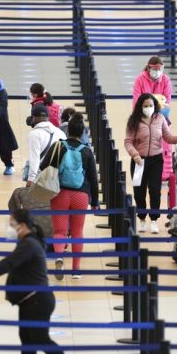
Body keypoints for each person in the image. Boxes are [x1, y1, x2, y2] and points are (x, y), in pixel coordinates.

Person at [0, 209, 81, 354]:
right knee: (27, 338)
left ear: (22, 226)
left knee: (40, 338)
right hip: (30, 300)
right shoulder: (28, 242)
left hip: (38, 300)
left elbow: (9, 263)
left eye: (12, 224)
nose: (10, 228)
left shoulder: (29, 244)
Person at [40, 112, 98, 280]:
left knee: (59, 231)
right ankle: (76, 269)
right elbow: (94, 180)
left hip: (60, 193)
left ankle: (59, 257)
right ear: (82, 133)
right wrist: (94, 202)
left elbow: (44, 166)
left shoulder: (59, 146)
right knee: (77, 232)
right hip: (81, 195)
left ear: (67, 131)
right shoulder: (87, 151)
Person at [124, 93, 177, 233]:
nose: (148, 108)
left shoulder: (160, 118)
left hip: (156, 160)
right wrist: (135, 155)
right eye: (145, 106)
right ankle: (142, 219)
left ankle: (155, 220)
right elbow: (128, 142)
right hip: (139, 161)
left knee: (155, 190)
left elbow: (168, 137)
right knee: (139, 192)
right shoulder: (134, 121)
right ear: (140, 107)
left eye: (150, 105)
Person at [25, 103, 67, 187]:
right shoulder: (61, 133)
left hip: (42, 178)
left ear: (33, 118)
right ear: (48, 118)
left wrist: (31, 179)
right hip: (59, 178)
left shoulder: (34, 134)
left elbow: (35, 158)